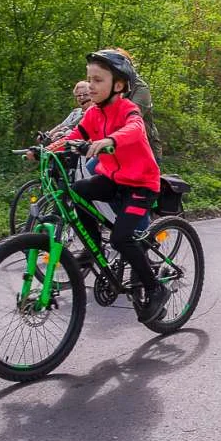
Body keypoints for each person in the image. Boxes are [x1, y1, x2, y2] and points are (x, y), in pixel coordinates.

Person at [53, 50, 169, 324]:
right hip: (114, 179)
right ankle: (94, 249)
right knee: (77, 192)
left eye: (97, 80)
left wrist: (109, 141)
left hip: (140, 183)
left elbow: (134, 129)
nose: (90, 86)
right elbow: (72, 137)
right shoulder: (93, 113)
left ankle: (155, 288)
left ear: (118, 85)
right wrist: (45, 149)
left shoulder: (128, 109)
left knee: (121, 238)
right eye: (88, 79)